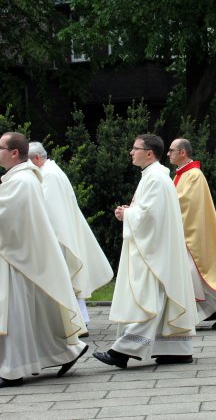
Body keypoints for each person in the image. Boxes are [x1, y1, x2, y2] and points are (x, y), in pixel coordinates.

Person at [93, 134, 198, 368]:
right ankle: (175, 350)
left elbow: (150, 217)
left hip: (153, 252)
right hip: (157, 248)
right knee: (159, 297)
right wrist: (131, 210)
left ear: (149, 153)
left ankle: (122, 351)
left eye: (135, 148)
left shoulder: (156, 179)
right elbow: (149, 211)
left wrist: (126, 215)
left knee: (148, 300)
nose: (131, 152)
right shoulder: (153, 176)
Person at [0, 132, 87, 387]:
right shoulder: (20, 178)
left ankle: (11, 369)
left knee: (14, 315)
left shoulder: (22, 182)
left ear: (14, 152)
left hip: (17, 259)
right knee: (36, 315)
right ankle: (65, 351)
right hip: (21, 256)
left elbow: (7, 218)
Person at [28, 142, 113, 327]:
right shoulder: (52, 170)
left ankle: (76, 321)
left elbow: (48, 210)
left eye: (27, 162)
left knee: (63, 278)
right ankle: (79, 319)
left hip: (58, 236)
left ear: (36, 158)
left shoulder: (49, 175)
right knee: (67, 280)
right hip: (63, 233)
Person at [168, 138, 216, 328]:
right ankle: (214, 309)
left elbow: (187, 202)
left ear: (183, 152)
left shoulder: (194, 175)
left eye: (172, 150)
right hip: (184, 233)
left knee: (197, 273)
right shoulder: (179, 175)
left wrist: (162, 201)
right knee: (192, 276)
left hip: (194, 234)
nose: (168, 154)